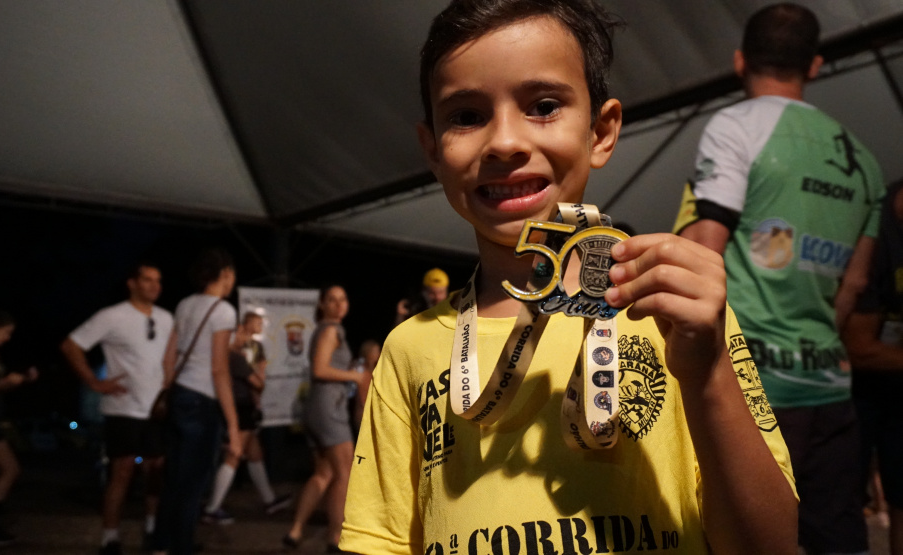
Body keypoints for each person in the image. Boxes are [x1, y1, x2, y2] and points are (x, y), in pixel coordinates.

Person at [340, 1, 798, 554]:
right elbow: (380, 540)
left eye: (544, 105)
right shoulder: (408, 348)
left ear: (600, 132)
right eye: (465, 115)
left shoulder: (678, 315)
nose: (504, 142)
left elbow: (770, 544)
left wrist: (706, 376)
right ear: (433, 149)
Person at [674, 4, 885, 553]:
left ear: (740, 59)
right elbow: (855, 284)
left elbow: (705, 252)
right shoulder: (865, 164)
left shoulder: (734, 127)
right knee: (838, 538)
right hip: (828, 387)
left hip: (749, 385)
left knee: (737, 537)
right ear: (814, 66)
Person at [61, 262, 173, 555]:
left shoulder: (167, 318)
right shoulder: (112, 315)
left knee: (155, 473)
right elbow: (71, 346)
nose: (154, 286)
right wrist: (93, 383)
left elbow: (171, 359)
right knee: (122, 472)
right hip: (123, 408)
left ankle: (152, 530)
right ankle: (110, 537)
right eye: (147, 280)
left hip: (157, 410)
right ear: (132, 283)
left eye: (158, 281)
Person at [150, 248, 241, 555]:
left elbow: (168, 358)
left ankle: (161, 544)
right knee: (194, 483)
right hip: (203, 403)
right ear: (225, 273)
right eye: (232, 275)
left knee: (174, 479)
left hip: (179, 396)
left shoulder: (184, 304)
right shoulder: (224, 311)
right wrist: (233, 423)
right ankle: (182, 547)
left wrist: (172, 390)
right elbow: (219, 369)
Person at [843, 180, 903, 554]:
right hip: (851, 394)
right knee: (844, 507)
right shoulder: (873, 227)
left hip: (896, 391)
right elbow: (860, 347)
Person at [284, 285, 367, 552]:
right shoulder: (331, 329)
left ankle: (296, 531)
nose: (339, 304)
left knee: (323, 473)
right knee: (344, 473)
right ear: (322, 305)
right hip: (329, 410)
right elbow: (320, 369)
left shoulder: (326, 330)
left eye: (343, 299)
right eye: (332, 300)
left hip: (318, 409)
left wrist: (349, 370)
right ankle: (335, 538)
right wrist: (355, 376)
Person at [202, 311, 291, 524]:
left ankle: (269, 500)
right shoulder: (234, 356)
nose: (244, 338)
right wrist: (259, 376)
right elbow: (258, 382)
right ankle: (212, 508)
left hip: (245, 406)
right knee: (235, 454)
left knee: (255, 453)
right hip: (239, 407)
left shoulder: (237, 354)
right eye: (240, 333)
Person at [0, 310, 37, 546]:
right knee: (9, 469)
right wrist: (5, 382)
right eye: (6, 332)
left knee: (6, 470)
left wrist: (22, 380)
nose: (7, 338)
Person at [351, 339, 381, 432]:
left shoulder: (377, 370)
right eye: (375, 351)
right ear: (367, 353)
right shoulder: (360, 370)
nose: (379, 354)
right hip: (364, 414)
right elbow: (361, 396)